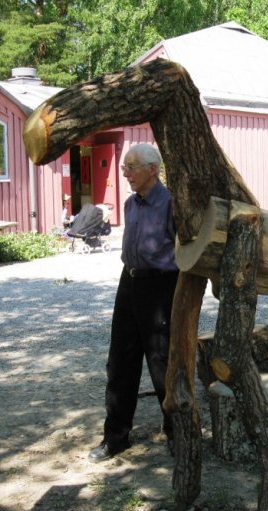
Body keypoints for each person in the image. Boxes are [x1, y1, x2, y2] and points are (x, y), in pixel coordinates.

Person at [88, 143, 179, 462]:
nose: (124, 172)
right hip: (129, 282)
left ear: (153, 169)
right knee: (120, 362)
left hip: (160, 285)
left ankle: (177, 435)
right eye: (124, 167)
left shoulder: (171, 204)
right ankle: (115, 437)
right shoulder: (130, 204)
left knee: (161, 362)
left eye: (131, 166)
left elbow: (185, 253)